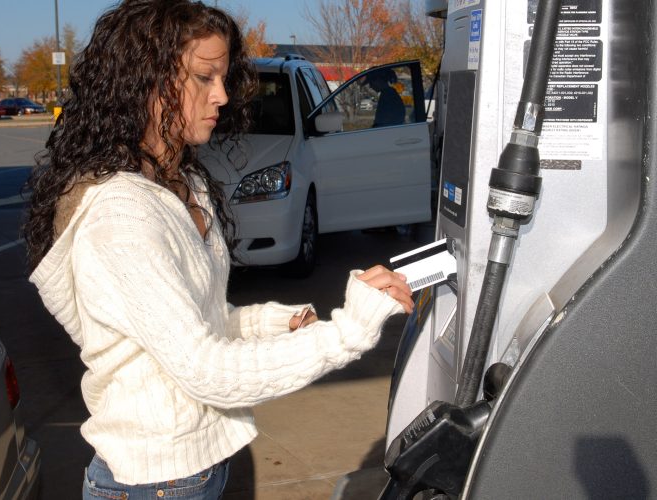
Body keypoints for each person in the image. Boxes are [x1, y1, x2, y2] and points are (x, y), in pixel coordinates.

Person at [23, 1, 414, 498]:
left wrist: (271, 323)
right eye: (205, 77)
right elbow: (205, 369)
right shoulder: (120, 215)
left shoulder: (183, 184)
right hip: (152, 484)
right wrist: (348, 334)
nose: (222, 96)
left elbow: (198, 321)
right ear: (146, 82)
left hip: (195, 472)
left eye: (224, 78)